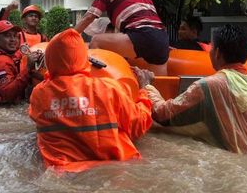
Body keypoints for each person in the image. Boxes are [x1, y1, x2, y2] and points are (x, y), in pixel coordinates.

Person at [133, 24, 247, 153]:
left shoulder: (209, 86)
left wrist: (147, 86)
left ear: (217, 53)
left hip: (235, 164)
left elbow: (163, 115)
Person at [28, 29, 153, 172]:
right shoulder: (108, 88)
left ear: (50, 59)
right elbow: (138, 126)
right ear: (84, 57)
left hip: (61, 172)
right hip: (115, 168)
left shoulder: (39, 94)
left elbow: (35, 117)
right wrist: (144, 89)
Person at [74, 0, 170, 75]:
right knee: (158, 87)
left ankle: (100, 85)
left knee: (96, 41)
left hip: (140, 35)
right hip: (161, 38)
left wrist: (69, 35)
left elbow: (89, 17)